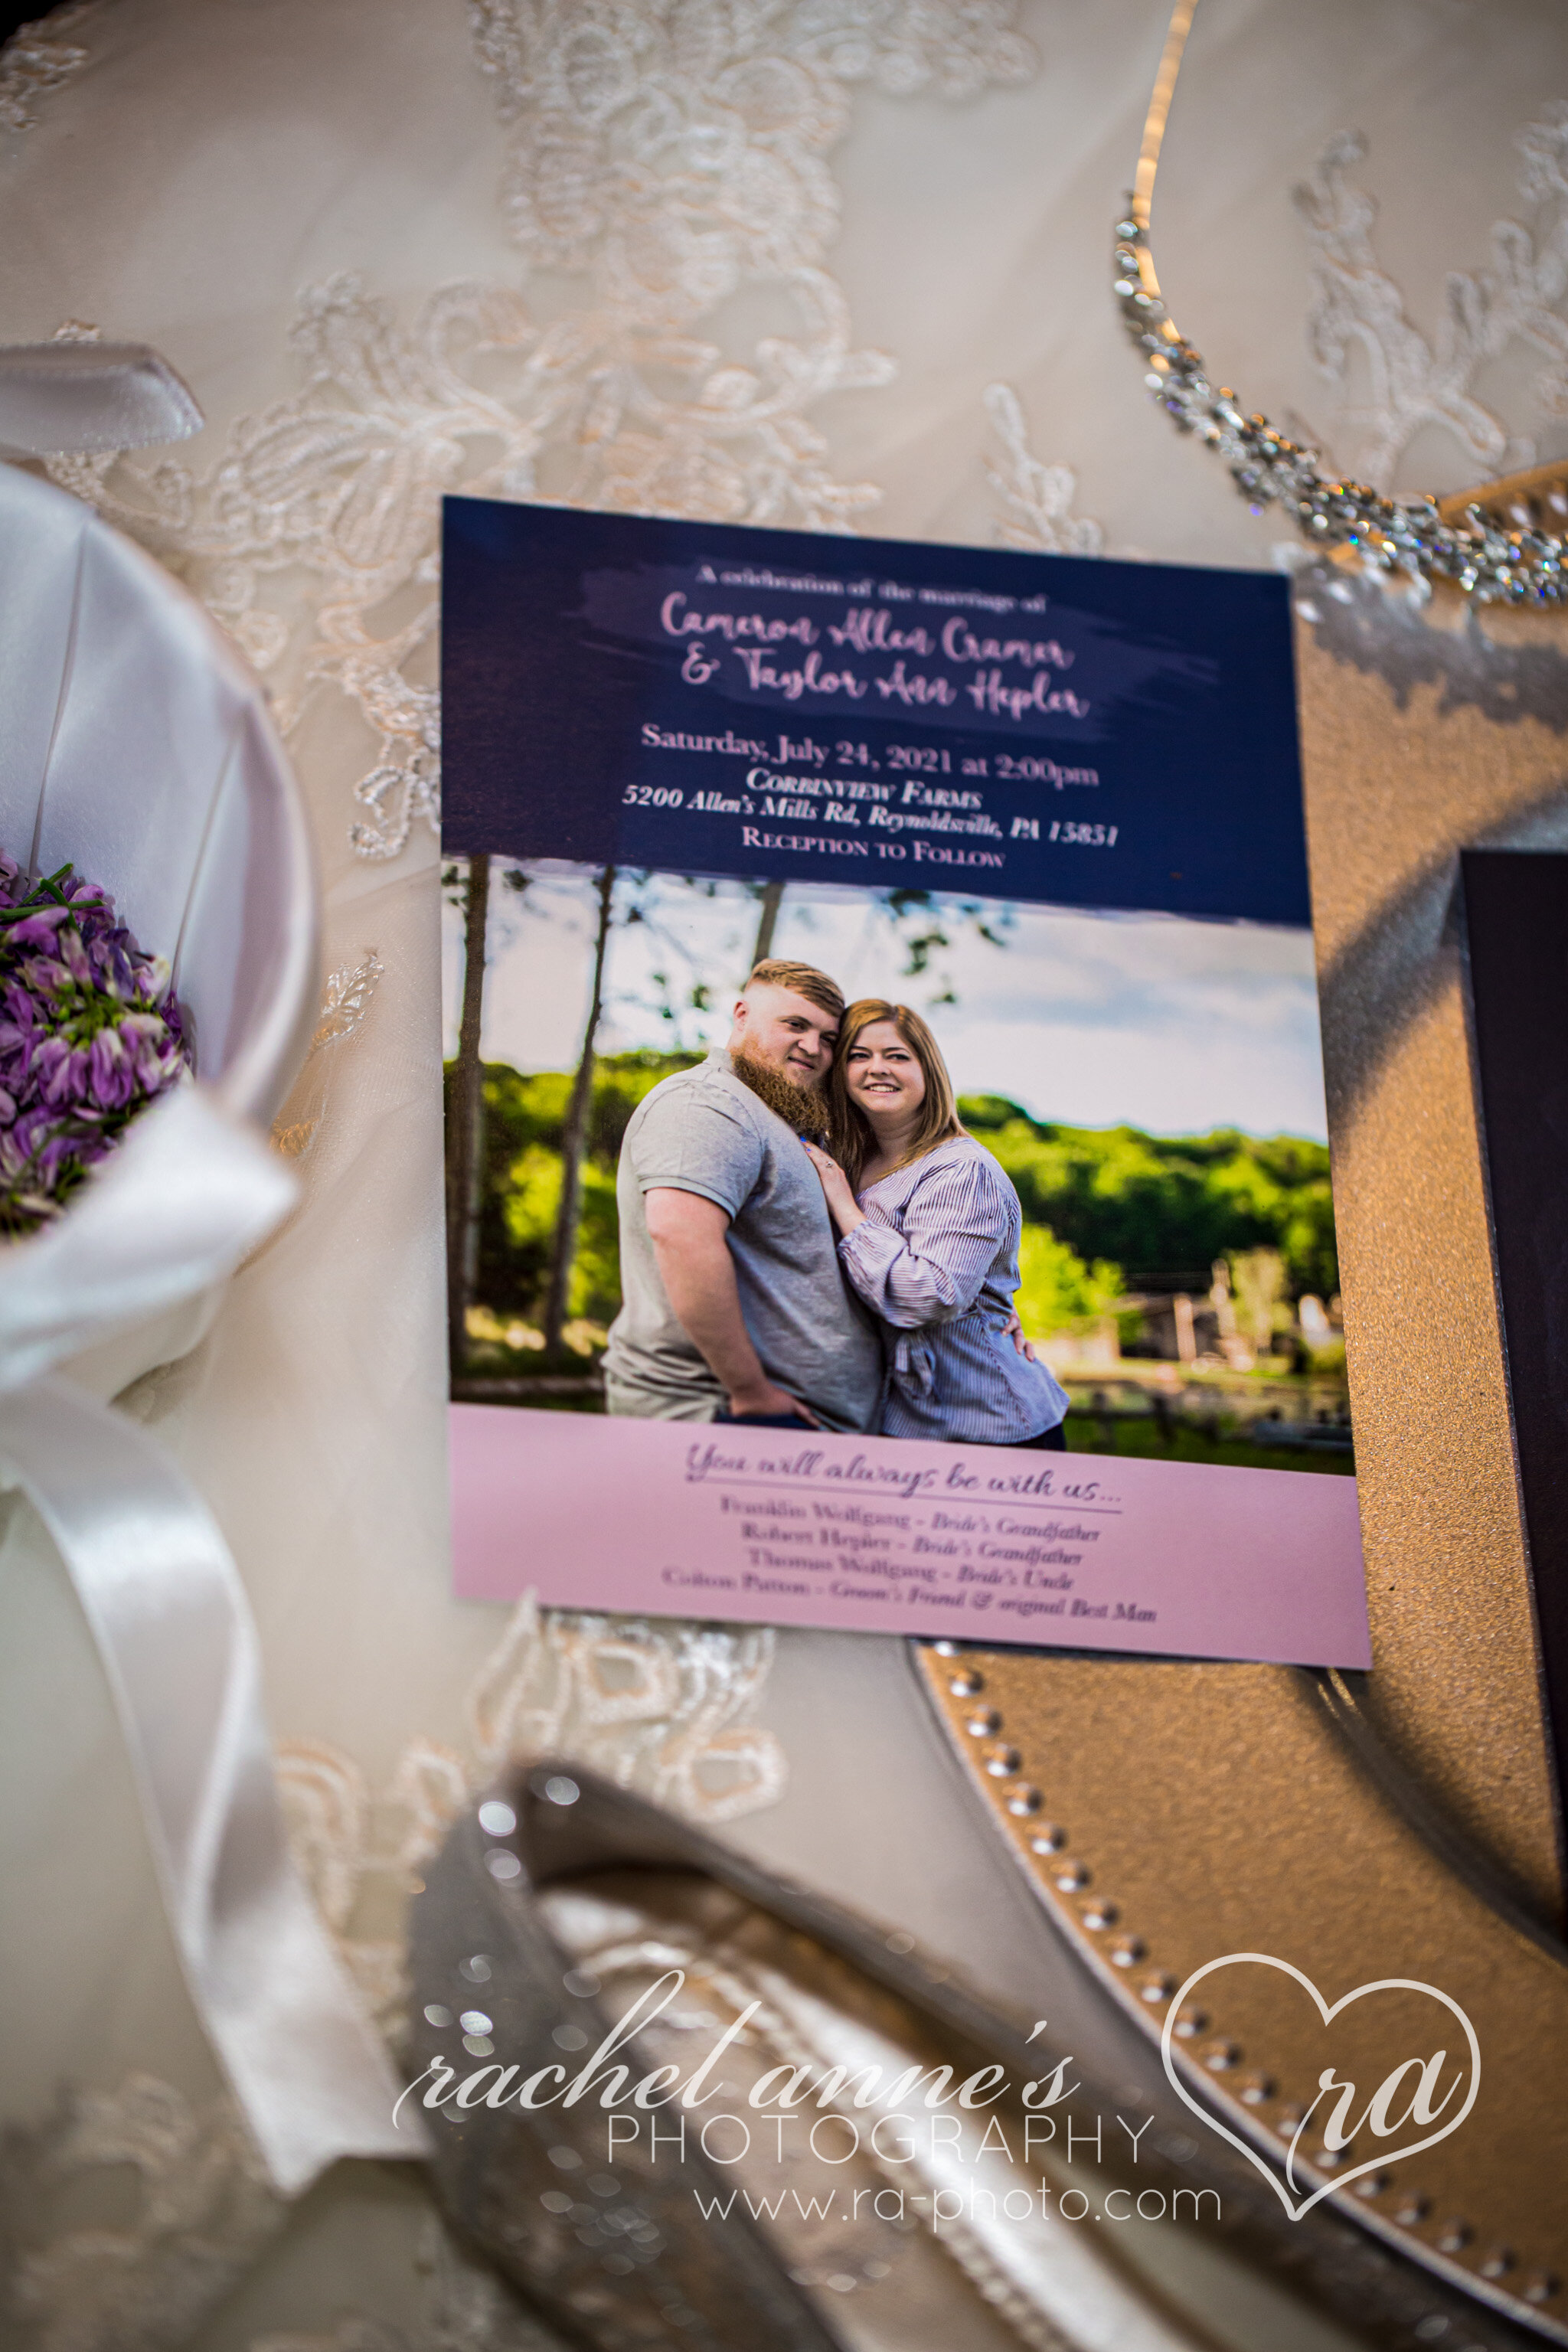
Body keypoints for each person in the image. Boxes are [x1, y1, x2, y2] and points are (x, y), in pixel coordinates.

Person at [603, 959, 884, 1431]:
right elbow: (679, 1236)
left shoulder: (777, 1118)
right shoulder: (707, 1104)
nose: (812, 1047)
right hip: (726, 1415)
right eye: (795, 1024)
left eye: (829, 1038)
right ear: (741, 1015)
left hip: (784, 1421)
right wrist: (750, 1390)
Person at [802, 999, 1071, 1449]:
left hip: (989, 1427)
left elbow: (929, 1296)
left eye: (897, 1056)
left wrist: (844, 1205)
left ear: (930, 1071)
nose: (877, 1069)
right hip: (901, 1422)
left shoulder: (961, 1170)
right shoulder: (846, 1156)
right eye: (859, 1055)